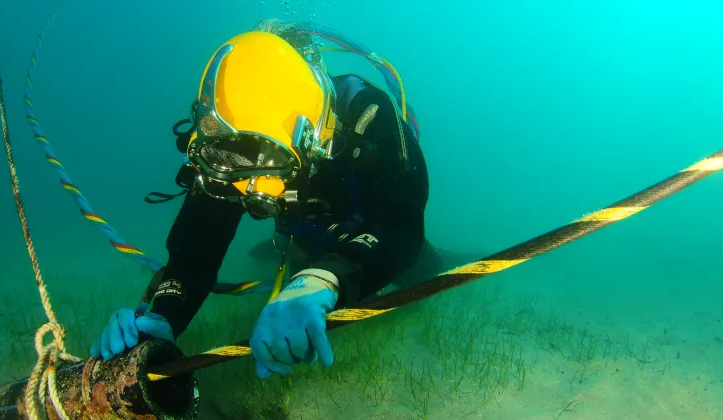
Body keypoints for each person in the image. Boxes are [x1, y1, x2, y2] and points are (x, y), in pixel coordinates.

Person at [91, 22, 453, 379]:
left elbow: (401, 225)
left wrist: (325, 279)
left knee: (422, 270)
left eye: (266, 164)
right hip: (303, 232)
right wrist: (163, 314)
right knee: (301, 266)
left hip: (368, 225)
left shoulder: (367, 115)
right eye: (230, 162)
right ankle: (304, 259)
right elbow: (197, 247)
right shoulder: (231, 146)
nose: (247, 189)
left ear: (314, 137)